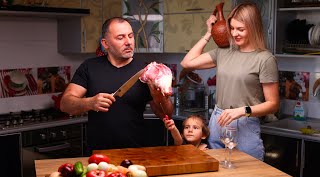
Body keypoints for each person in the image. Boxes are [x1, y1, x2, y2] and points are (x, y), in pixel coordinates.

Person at [180, 3, 279, 160]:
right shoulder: (224, 52)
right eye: (232, 28)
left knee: (249, 172)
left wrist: (241, 111)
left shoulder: (265, 59)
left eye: (240, 29)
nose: (234, 33)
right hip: (218, 119)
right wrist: (209, 33)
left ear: (253, 27)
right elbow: (187, 63)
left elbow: (273, 104)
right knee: (219, 172)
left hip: (244, 123)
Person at [60, 17, 173, 154]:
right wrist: (90, 102)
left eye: (130, 36)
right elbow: (65, 105)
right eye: (120, 37)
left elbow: (166, 115)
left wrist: (160, 98)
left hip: (136, 153)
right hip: (99, 154)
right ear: (105, 43)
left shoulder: (146, 71)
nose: (128, 42)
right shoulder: (89, 67)